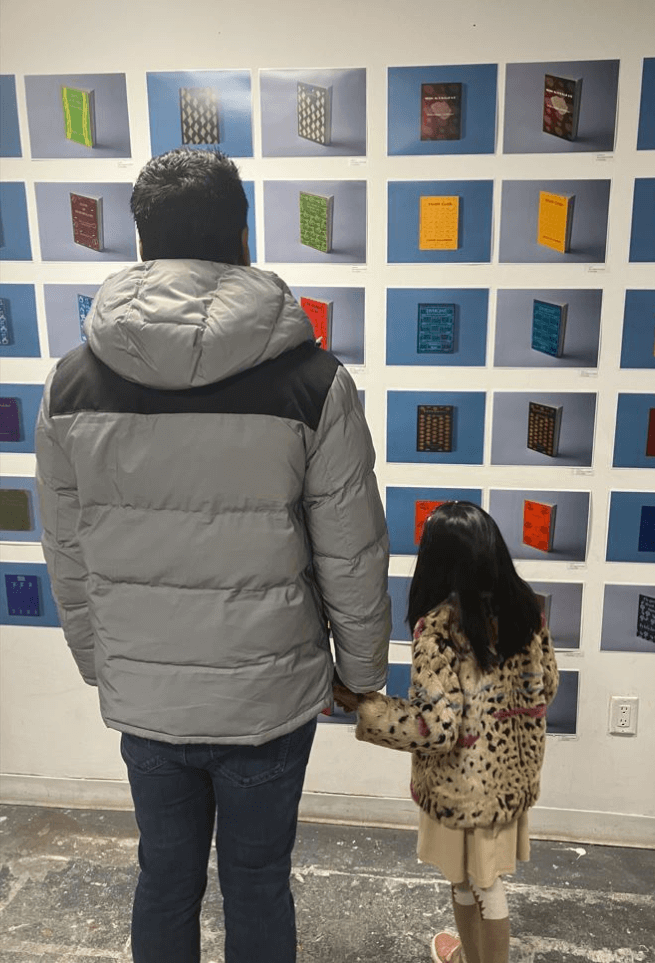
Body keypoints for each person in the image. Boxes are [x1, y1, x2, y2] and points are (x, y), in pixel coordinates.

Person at [35, 147, 391, 963]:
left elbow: (67, 549)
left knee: (164, 879)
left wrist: (100, 663)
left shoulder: (71, 385)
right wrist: (361, 670)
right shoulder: (313, 382)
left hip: (147, 695)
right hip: (269, 696)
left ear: (142, 242)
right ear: (241, 237)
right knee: (258, 881)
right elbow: (351, 549)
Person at [334, 501, 559, 963]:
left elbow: (433, 729)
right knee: (488, 883)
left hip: (458, 788)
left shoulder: (438, 629)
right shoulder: (526, 612)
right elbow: (548, 686)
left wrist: (367, 708)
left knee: (466, 883)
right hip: (508, 782)